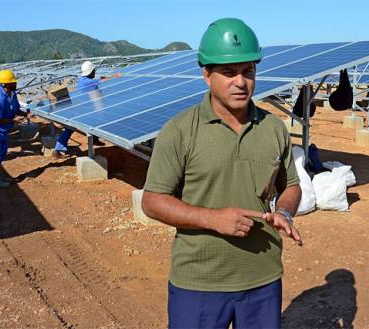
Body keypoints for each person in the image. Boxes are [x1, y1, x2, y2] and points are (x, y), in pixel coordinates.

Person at [142, 18, 303, 329]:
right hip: (199, 283)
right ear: (206, 75)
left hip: (262, 278)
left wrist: (284, 210)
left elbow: (292, 186)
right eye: (229, 72)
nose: (240, 82)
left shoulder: (274, 129)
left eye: (248, 71)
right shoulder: (179, 131)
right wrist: (212, 219)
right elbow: (152, 200)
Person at [52, 60, 105, 158]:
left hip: (78, 107)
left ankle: (95, 139)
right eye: (94, 70)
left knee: (70, 128)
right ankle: (57, 151)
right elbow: (101, 86)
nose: (95, 72)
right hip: (83, 111)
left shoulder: (82, 80)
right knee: (98, 118)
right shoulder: (91, 82)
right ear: (91, 71)